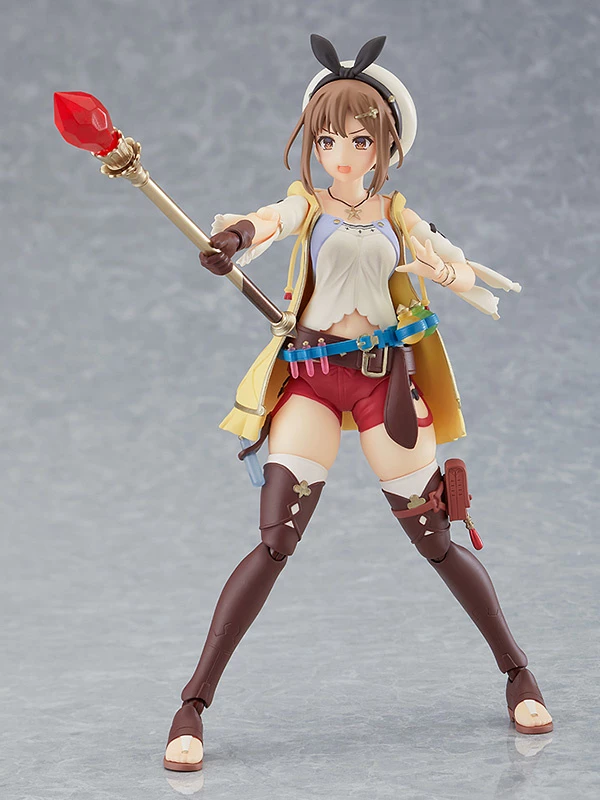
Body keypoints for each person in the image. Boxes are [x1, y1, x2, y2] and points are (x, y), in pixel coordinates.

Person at [163, 34, 552, 772]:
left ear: (385, 145)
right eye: (328, 138)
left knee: (435, 538)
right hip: (311, 380)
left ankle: (517, 672)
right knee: (275, 539)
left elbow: (457, 265)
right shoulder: (305, 205)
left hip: (384, 383)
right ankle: (193, 705)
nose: (342, 153)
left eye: (360, 139)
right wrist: (232, 240)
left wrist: (442, 267)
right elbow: (264, 223)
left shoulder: (398, 215)